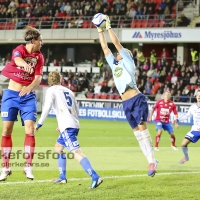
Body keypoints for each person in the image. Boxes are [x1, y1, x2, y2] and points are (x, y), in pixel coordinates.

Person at [94, 15, 157, 177]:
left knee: (143, 130)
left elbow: (115, 43)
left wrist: (108, 26)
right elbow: (105, 47)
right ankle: (150, 160)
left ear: (126, 54)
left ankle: (151, 161)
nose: (117, 53)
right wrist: (100, 31)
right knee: (137, 134)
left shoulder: (128, 60)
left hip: (136, 99)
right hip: (125, 103)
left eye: (120, 52)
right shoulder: (114, 65)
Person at [35, 71, 102, 188]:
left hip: (67, 127)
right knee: (58, 148)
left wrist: (39, 124)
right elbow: (77, 111)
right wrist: (64, 124)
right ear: (60, 79)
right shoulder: (69, 91)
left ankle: (95, 177)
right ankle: (62, 177)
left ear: (49, 81)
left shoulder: (51, 90)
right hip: (73, 124)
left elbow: (46, 108)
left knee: (76, 153)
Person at [0, 26, 44, 181]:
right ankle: (5, 167)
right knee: (6, 130)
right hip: (11, 95)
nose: (41, 43)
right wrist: (24, 64)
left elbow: (38, 78)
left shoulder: (40, 57)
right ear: (33, 40)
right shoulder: (19, 49)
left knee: (30, 129)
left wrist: (29, 88)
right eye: (40, 41)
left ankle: (28, 167)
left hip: (28, 97)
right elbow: (17, 59)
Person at [173, 89, 200, 164]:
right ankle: (186, 157)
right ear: (196, 96)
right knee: (183, 144)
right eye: (198, 95)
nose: (199, 96)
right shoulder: (193, 107)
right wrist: (177, 120)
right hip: (195, 130)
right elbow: (187, 115)